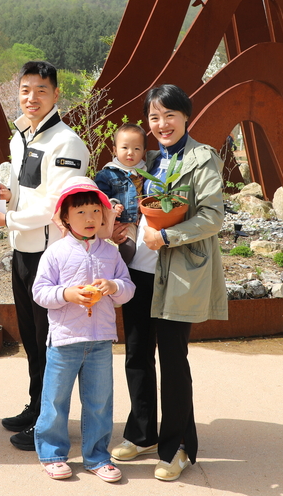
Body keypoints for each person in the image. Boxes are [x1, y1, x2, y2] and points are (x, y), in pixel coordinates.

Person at [110, 84, 228, 481]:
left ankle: (178, 446)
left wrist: (167, 237)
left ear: (185, 117)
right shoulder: (154, 160)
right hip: (141, 271)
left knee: (173, 361)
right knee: (137, 355)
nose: (161, 124)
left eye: (169, 115)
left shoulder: (201, 158)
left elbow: (212, 216)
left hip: (177, 274)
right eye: (154, 117)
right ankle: (142, 432)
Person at [0, 61, 89, 451]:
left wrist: (4, 215)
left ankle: (49, 423)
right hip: (23, 251)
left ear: (57, 95)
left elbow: (57, 205)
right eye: (25, 90)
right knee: (31, 337)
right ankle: (36, 406)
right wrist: (8, 196)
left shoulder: (67, 143)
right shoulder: (20, 137)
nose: (31, 97)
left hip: (51, 257)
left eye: (41, 90)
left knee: (51, 341)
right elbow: (29, 191)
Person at [32, 177, 134, 482]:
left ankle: (97, 456)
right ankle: (52, 453)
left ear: (104, 215)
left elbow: (128, 290)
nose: (89, 219)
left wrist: (113, 286)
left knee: (100, 401)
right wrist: (67, 294)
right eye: (80, 213)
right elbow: (40, 292)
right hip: (64, 340)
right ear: (65, 217)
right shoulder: (55, 253)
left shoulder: (111, 253)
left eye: (95, 211)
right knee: (55, 399)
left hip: (100, 339)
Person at [94, 123, 147, 264]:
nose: (130, 152)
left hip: (137, 222)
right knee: (123, 248)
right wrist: (112, 205)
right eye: (125, 147)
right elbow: (99, 197)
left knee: (135, 251)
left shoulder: (146, 172)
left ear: (144, 152)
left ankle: (123, 274)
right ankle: (111, 270)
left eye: (137, 148)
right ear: (115, 150)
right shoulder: (108, 173)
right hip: (117, 221)